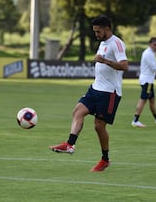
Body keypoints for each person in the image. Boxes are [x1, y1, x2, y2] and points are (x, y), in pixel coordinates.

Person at [49, 15, 128, 172]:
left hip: (109, 93)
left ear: (107, 28)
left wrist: (104, 61)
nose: (96, 35)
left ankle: (105, 160)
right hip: (95, 88)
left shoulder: (117, 43)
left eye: (98, 31)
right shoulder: (103, 43)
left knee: (99, 126)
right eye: (94, 31)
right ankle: (69, 144)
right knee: (78, 111)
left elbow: (124, 66)